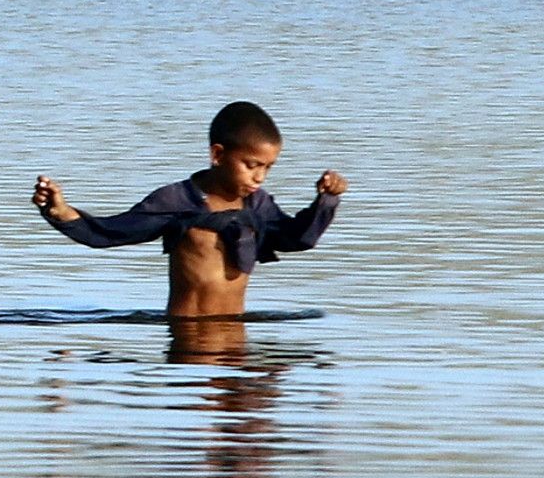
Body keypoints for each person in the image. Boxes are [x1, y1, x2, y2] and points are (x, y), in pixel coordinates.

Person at [32, 101, 347, 318]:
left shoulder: (258, 205)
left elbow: (297, 238)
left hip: (236, 342)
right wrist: (60, 211)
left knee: (258, 411)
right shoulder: (177, 201)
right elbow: (109, 233)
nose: (259, 177)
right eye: (251, 165)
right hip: (189, 342)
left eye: (267, 167)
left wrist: (326, 202)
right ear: (218, 154)